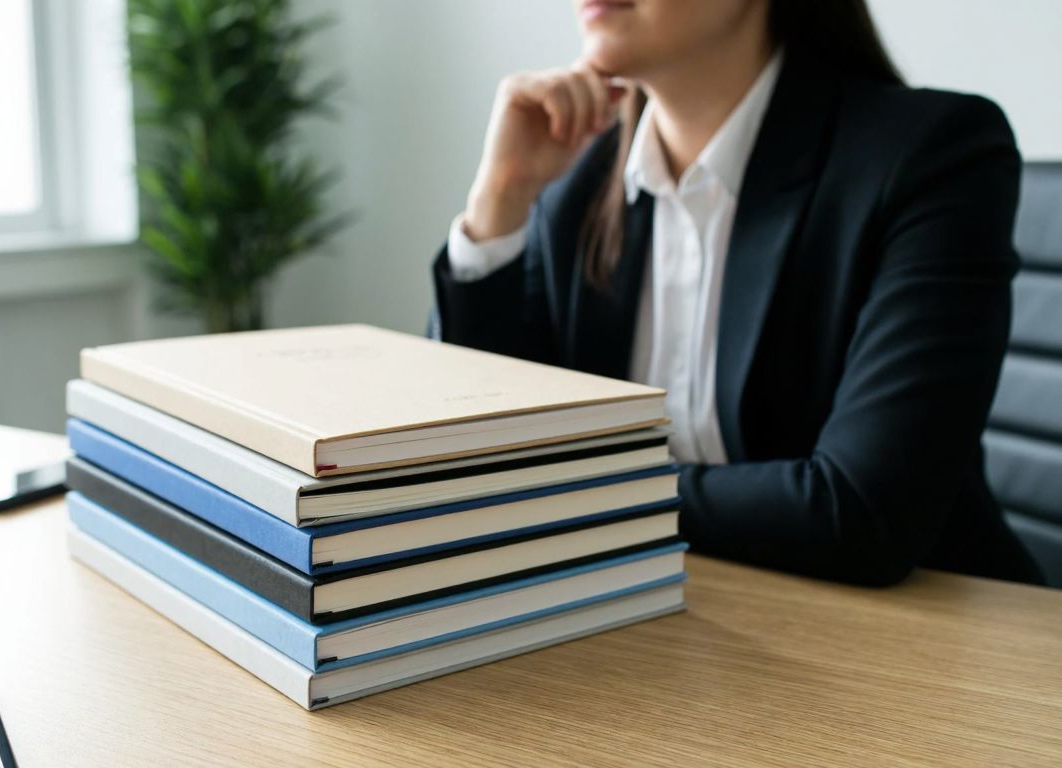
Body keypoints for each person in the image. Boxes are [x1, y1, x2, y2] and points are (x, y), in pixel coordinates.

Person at [431, 0, 1043, 585]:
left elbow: (859, 512)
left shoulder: (930, 156)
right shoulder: (576, 181)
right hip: (669, 616)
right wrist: (500, 204)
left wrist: (566, 491)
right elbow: (459, 468)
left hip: (933, 648)